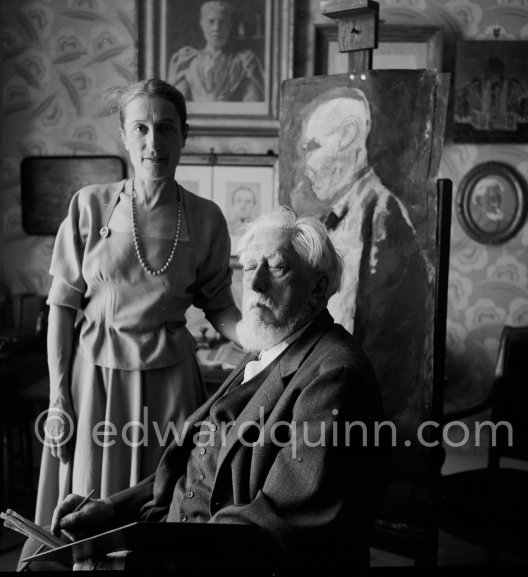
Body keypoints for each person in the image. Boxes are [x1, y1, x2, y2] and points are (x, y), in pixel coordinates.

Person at [20, 208, 388, 573]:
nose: (255, 284)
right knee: (38, 545)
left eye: (277, 268)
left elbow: (275, 529)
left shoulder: (336, 376)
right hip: (170, 531)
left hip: (206, 556)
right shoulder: (271, 346)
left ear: (318, 289)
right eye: (248, 268)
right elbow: (193, 465)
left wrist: (130, 562)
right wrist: (113, 509)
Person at [34, 78, 241, 528]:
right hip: (95, 383)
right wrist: (58, 396)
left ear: (184, 135)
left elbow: (219, 304)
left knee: (165, 501)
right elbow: (62, 306)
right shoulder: (88, 206)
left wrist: (262, 336)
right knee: (88, 507)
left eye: (166, 128)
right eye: (142, 128)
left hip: (170, 385)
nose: (154, 142)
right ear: (124, 135)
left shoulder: (207, 217)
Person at [298, 85, 429, 424]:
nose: (305, 164)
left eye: (312, 147)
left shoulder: (384, 216)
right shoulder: (335, 217)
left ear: (348, 135)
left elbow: (390, 345)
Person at [167, 0, 264, 102]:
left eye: (222, 22)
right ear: (202, 24)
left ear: (230, 26)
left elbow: (252, 104)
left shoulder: (244, 62)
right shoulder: (187, 61)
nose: (216, 28)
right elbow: (177, 106)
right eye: (211, 22)